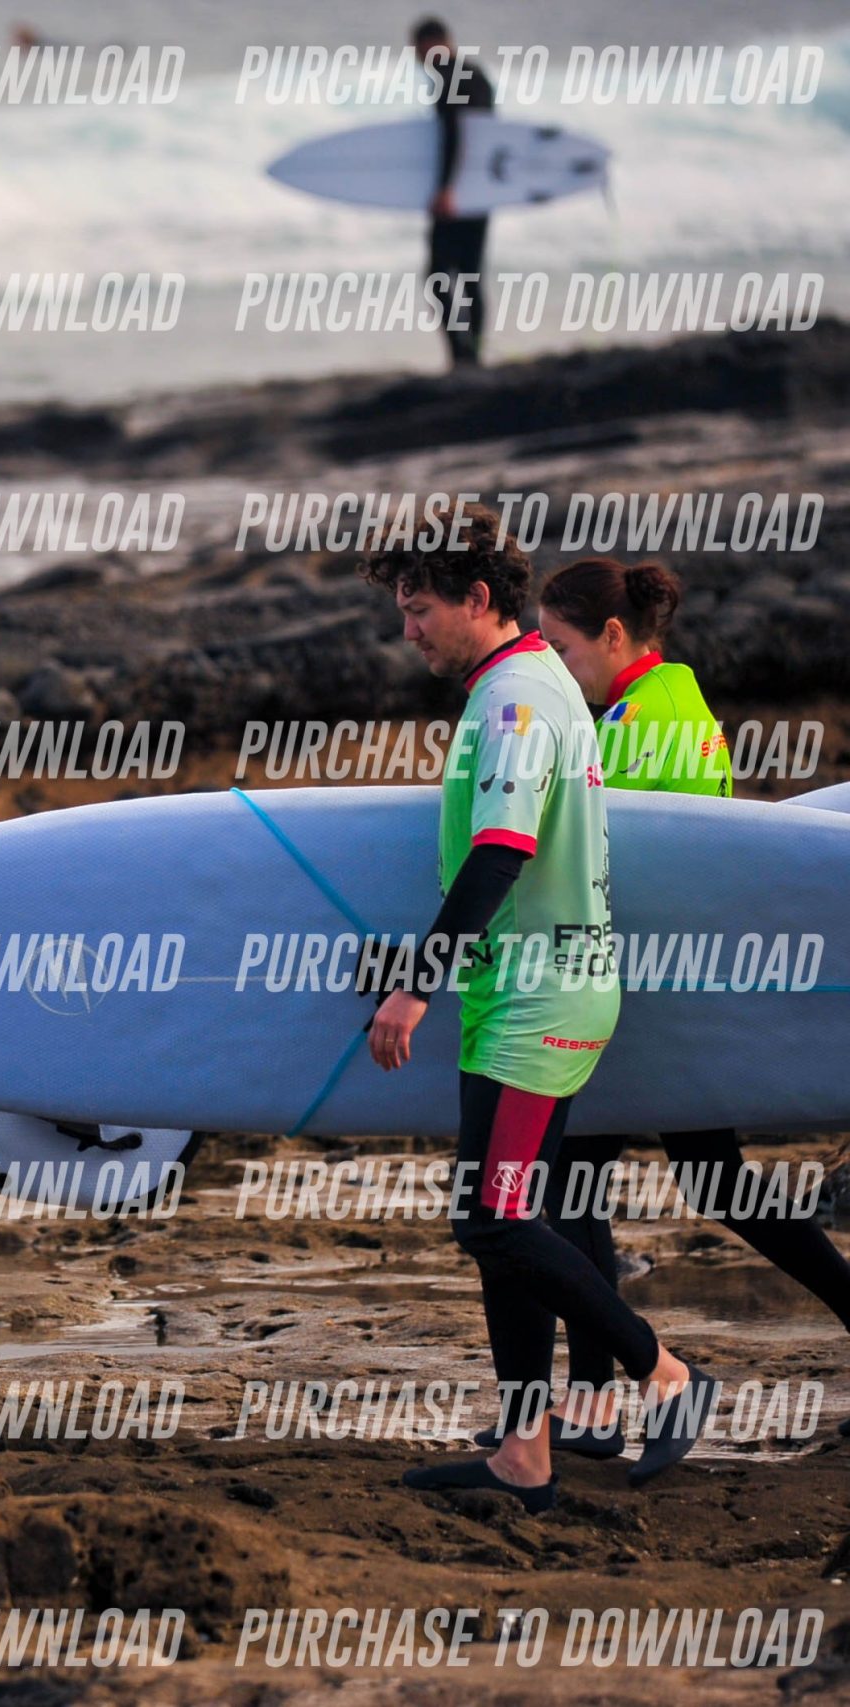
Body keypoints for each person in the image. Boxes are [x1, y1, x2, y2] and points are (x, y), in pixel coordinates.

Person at [359, 508, 714, 1510]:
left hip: (537, 1002)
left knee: (494, 1218)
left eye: (419, 610)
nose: (408, 632)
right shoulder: (530, 682)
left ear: (477, 599)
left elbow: (500, 852)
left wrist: (415, 983)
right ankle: (525, 1453)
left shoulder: (516, 700)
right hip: (520, 993)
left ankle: (665, 1374)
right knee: (509, 1218)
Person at [525, 558, 850, 1447]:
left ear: (614, 635)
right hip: (670, 983)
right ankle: (592, 1403)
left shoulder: (646, 717)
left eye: (562, 649)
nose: (557, 668)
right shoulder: (665, 699)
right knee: (706, 1177)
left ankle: (593, 1404)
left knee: (577, 1178)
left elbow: (608, 852)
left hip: (650, 993)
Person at [411, 17, 496, 367]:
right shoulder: (476, 75)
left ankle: (462, 354)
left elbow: (456, 134)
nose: (417, 57)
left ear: (433, 43)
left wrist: (447, 188)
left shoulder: (451, 79)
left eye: (417, 48)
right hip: (480, 191)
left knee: (437, 276)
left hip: (457, 194)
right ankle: (472, 354)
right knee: (470, 275)